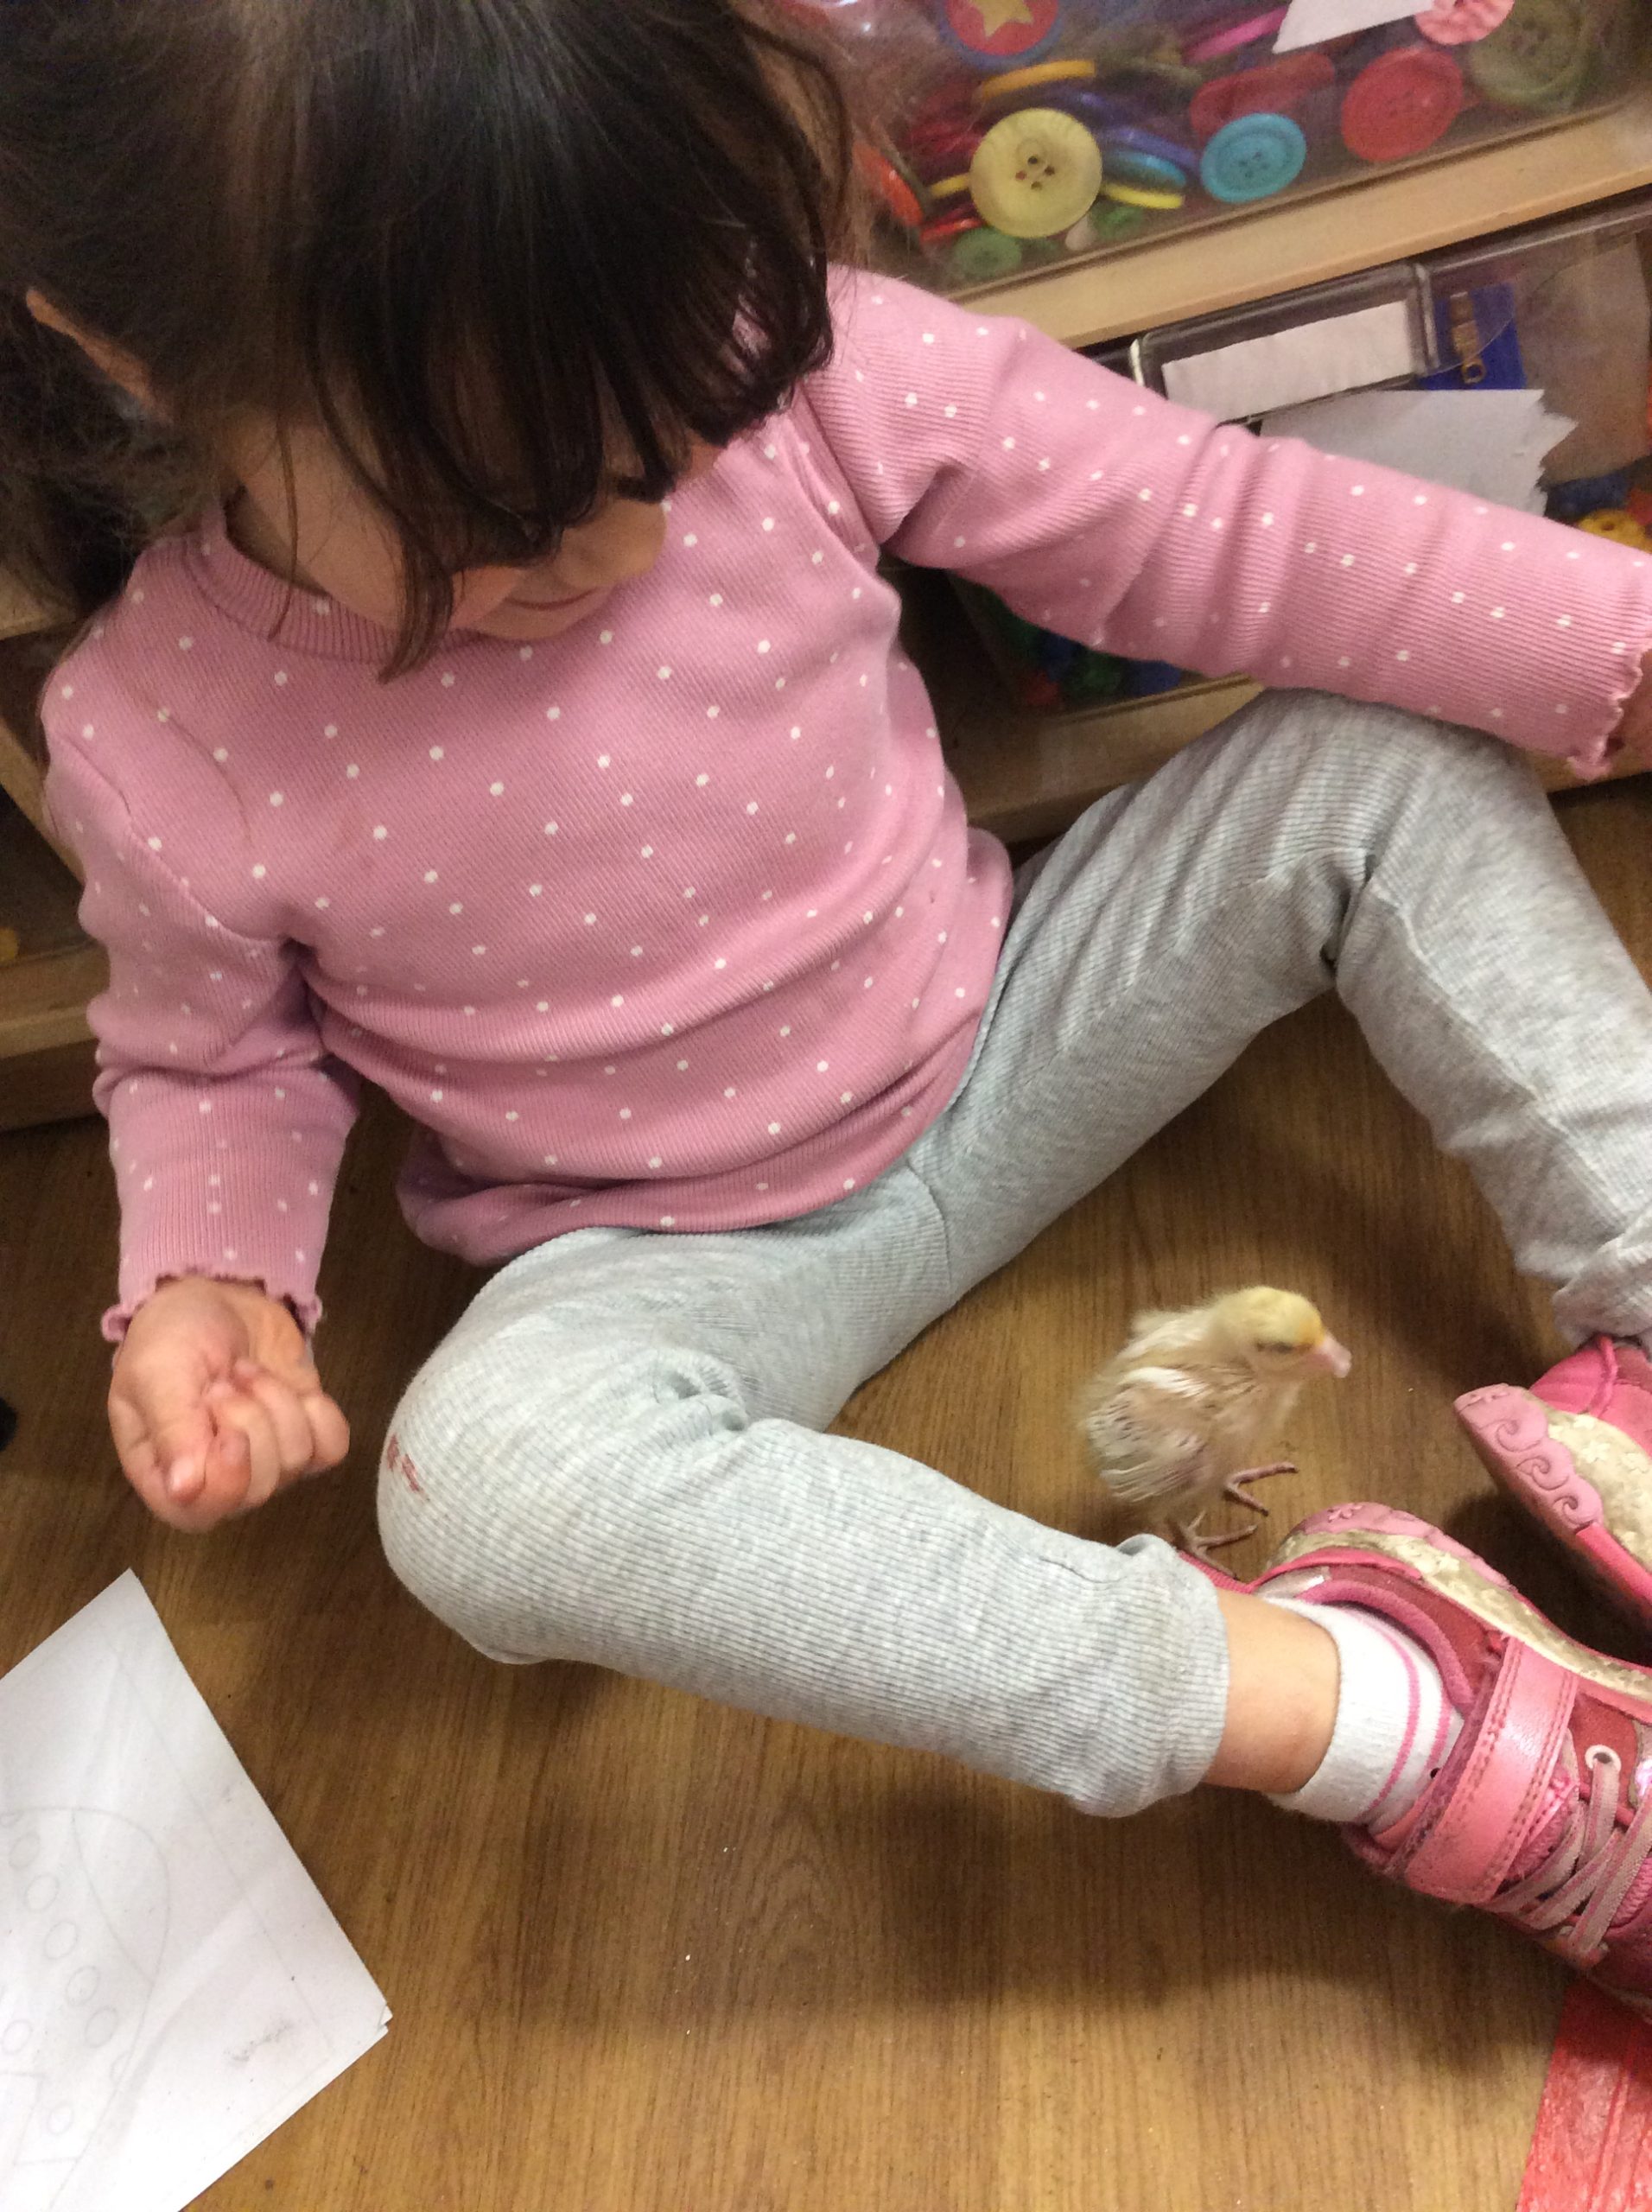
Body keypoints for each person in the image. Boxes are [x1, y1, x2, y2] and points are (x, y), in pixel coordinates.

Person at [7, 0, 1652, 2008]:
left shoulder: (802, 360)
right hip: (666, 1254)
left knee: (1380, 759)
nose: (626, 543)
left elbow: (1227, 532)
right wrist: (212, 1277)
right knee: (478, 1490)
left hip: (1015, 1019)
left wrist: (1614, 633)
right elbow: (209, 1053)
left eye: (673, 444)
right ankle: (1382, 1712)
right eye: (510, 515)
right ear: (141, 358)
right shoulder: (158, 735)